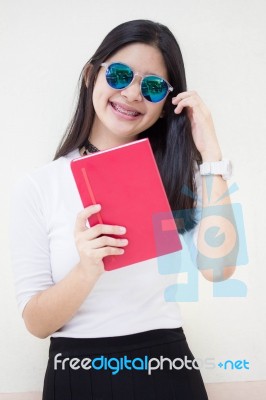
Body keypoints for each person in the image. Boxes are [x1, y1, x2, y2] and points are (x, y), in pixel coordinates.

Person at [11, 19, 236, 399]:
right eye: (119, 75)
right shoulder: (39, 185)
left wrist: (211, 156)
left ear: (167, 103)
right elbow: (36, 323)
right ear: (90, 76)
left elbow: (219, 268)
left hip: (168, 367)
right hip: (77, 373)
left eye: (151, 87)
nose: (132, 93)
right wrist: (86, 270)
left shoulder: (183, 175)